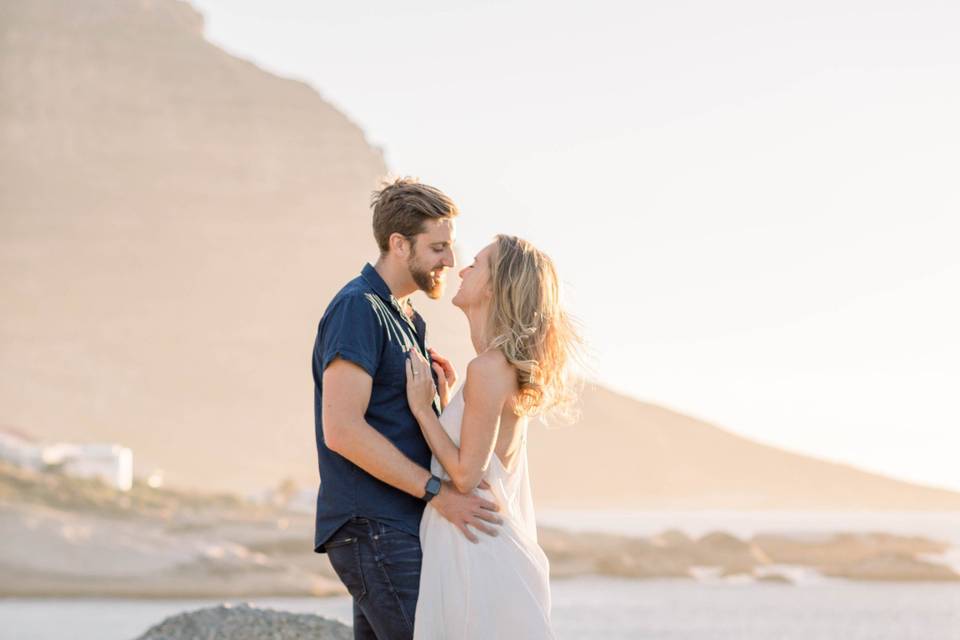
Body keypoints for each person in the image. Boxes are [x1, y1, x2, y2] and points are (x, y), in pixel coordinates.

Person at [312, 177, 502, 640]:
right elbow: (342, 430)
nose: (450, 261)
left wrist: (440, 397)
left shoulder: (407, 318)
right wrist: (439, 493)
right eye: (437, 248)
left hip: (395, 526)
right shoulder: (359, 308)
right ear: (399, 244)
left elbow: (392, 418)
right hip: (374, 526)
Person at [406, 234, 581, 639]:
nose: (462, 268)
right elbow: (481, 455)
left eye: (478, 263)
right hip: (479, 553)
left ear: (495, 286)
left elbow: (466, 477)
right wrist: (447, 404)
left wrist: (420, 408)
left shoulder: (489, 368)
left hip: (479, 559)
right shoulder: (496, 369)